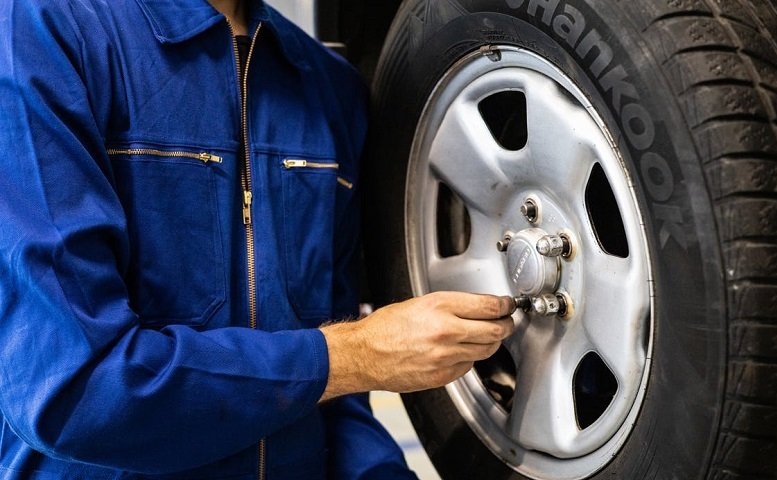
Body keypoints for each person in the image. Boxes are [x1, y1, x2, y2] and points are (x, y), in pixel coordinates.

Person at [0, 0, 515, 478]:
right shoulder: (41, 33)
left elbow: (337, 403)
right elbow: (75, 394)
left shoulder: (329, 87)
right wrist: (352, 356)